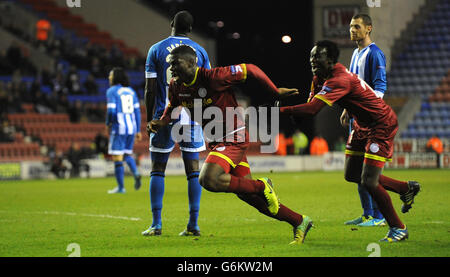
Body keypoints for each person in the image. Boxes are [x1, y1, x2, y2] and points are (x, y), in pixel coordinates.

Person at [149, 44, 313, 245]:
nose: (171, 68)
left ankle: (263, 185)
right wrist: (160, 122)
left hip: (233, 136)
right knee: (249, 196)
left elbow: (250, 69)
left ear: (191, 62)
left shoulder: (214, 77)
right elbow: (170, 109)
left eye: (175, 63)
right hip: (218, 142)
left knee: (208, 179)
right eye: (170, 64)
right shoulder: (176, 86)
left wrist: (274, 92)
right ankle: (299, 220)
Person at [277, 40, 421, 242]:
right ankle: (405, 188)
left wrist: (277, 111)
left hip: (381, 124)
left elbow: (312, 110)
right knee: (352, 174)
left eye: (318, 56)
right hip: (361, 124)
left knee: (369, 181)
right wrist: (290, 108)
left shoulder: (340, 78)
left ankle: (398, 228)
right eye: (311, 56)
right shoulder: (319, 77)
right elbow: (310, 106)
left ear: (330, 59)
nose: (313, 60)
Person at [341, 14, 419, 227]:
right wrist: (348, 108)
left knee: (367, 173)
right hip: (356, 119)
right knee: (355, 171)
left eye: (357, 26)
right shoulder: (355, 54)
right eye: (350, 26)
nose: (352, 30)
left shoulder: (375, 54)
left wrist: (366, 112)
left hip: (370, 121)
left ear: (369, 29)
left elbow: (380, 88)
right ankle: (368, 213)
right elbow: (352, 86)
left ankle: (378, 216)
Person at [142, 11, 211, 237]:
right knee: (193, 171)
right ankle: (194, 224)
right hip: (191, 117)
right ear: (190, 29)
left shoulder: (156, 49)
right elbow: (207, 85)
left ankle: (156, 224)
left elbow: (150, 88)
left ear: (171, 24)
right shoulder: (200, 51)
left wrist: (149, 119)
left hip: (164, 116)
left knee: (157, 170)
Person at [106, 67, 142, 193]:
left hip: (119, 127)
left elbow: (111, 111)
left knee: (117, 157)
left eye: (111, 75)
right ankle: (136, 173)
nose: (109, 77)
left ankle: (121, 187)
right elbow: (137, 112)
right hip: (131, 127)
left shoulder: (112, 91)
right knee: (126, 154)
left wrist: (108, 124)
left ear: (116, 77)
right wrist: (138, 130)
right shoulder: (131, 91)